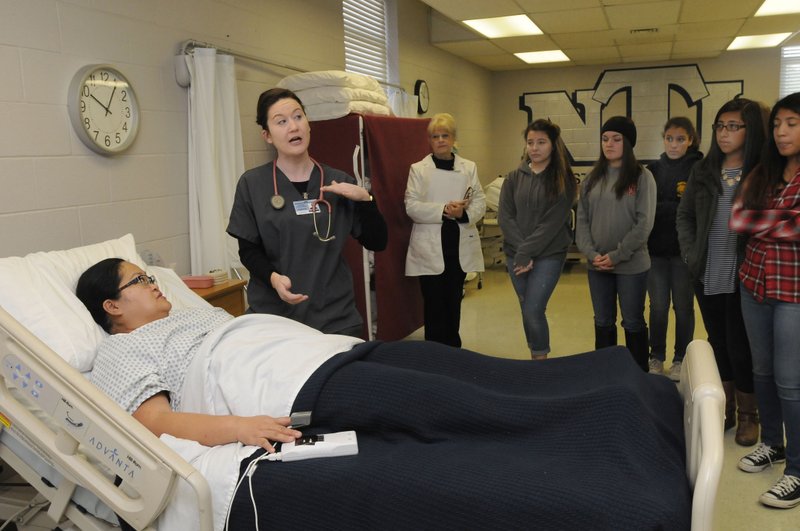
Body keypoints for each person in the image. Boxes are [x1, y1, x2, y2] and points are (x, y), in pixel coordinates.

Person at [75, 258, 692, 529]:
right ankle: (618, 439)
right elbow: (152, 422)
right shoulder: (122, 350)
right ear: (111, 307)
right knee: (467, 408)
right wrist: (241, 429)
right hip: (298, 384)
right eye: (139, 282)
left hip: (334, 352)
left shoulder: (194, 313)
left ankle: (621, 386)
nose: (155, 285)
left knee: (467, 370)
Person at [227, 88, 387, 337]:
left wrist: (366, 199)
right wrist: (273, 279)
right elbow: (248, 250)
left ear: (308, 124)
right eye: (281, 121)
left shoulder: (339, 182)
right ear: (267, 135)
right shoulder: (252, 184)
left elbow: (378, 240)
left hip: (334, 317)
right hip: (275, 318)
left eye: (298, 116)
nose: (293, 126)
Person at [676, 97, 768, 446]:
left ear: (751, 130)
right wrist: (689, 254)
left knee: (741, 345)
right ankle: (726, 407)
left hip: (744, 272)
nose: (724, 133)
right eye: (719, 126)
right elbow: (685, 216)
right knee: (718, 342)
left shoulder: (763, 170)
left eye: (733, 127)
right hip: (707, 269)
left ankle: (749, 415)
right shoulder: (703, 170)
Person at [730, 92, 800, 509]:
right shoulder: (764, 173)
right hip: (754, 286)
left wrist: (764, 224)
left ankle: (797, 469)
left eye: (791, 123)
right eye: (777, 124)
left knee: (791, 383)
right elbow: (738, 220)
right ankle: (772, 443)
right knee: (763, 372)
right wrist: (785, 223)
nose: (781, 132)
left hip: (793, 293)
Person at [576, 116, 656, 371]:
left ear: (628, 143)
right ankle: (607, 375)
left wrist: (617, 255)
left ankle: (637, 377)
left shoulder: (642, 177)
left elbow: (644, 224)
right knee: (603, 322)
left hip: (631, 265)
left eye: (616, 139)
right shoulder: (591, 179)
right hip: (597, 265)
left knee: (632, 322)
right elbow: (583, 221)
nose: (609, 144)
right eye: (605, 138)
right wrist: (591, 253)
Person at [404, 113, 485, 347]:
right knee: (434, 304)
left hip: (457, 246)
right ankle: (435, 353)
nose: (440, 140)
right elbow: (411, 206)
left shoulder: (468, 167)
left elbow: (479, 200)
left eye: (445, 135)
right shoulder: (418, 169)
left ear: (453, 139)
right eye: (435, 136)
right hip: (429, 247)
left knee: (453, 302)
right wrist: (443, 210)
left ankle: (453, 350)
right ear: (429, 141)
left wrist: (463, 214)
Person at [498, 119, 577, 359]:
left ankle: (541, 361)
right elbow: (505, 216)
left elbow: (551, 224)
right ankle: (534, 356)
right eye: (530, 142)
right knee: (526, 307)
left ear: (553, 145)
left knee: (534, 308)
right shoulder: (513, 178)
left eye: (541, 142)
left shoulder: (564, 179)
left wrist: (527, 252)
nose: (534, 147)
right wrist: (522, 252)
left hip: (548, 255)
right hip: (516, 254)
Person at [646, 117, 703, 380]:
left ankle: (681, 358)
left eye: (680, 139)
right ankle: (656, 356)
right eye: (669, 138)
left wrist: (665, 208)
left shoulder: (699, 169)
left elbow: (693, 211)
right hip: (655, 250)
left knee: (683, 307)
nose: (674, 144)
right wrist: (673, 208)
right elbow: (645, 209)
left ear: (690, 140)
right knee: (657, 307)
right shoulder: (652, 170)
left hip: (684, 253)